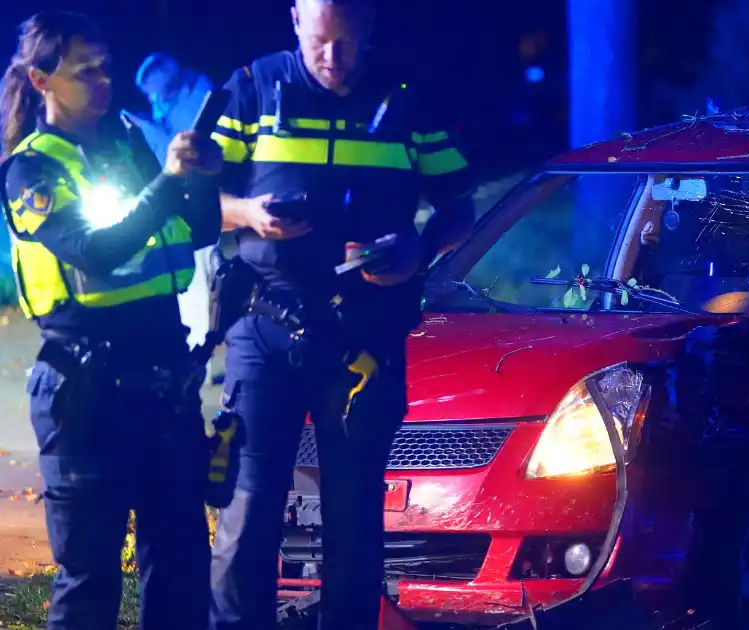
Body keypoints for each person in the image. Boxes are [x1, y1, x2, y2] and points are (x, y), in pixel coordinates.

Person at [207, 0, 476, 628]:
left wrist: (417, 249)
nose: (333, 58)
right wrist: (249, 214)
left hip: (365, 334)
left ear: (370, 30)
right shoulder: (251, 90)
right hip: (265, 323)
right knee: (248, 510)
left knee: (354, 516)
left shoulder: (407, 101)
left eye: (347, 42)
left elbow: (458, 207)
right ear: (295, 20)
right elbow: (191, 201)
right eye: (321, 41)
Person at [0, 10, 223, 630]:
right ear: (41, 81)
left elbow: (197, 229)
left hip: (164, 382)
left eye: (106, 67)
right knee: (91, 579)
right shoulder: (29, 169)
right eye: (84, 70)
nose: (103, 80)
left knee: (181, 564)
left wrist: (200, 181)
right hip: (86, 389)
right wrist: (168, 183)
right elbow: (95, 251)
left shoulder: (126, 141)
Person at [132, 53, 225, 359]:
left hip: (196, 191)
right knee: (190, 279)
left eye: (152, 88)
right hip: (171, 189)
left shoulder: (197, 92)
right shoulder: (166, 100)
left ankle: (204, 345)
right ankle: (197, 343)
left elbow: (190, 140)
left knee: (202, 270)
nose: (152, 96)